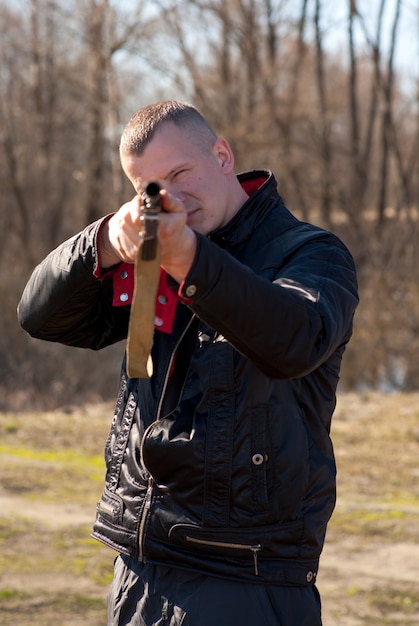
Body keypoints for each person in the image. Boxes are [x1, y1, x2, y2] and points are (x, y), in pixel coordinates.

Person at [18, 100, 359, 626]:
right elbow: (41, 316)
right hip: (138, 564)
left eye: (180, 173)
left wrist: (190, 263)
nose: (169, 197)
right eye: (150, 188)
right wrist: (106, 242)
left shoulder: (312, 252)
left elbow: (295, 340)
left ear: (221, 155)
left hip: (245, 577)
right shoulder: (150, 255)